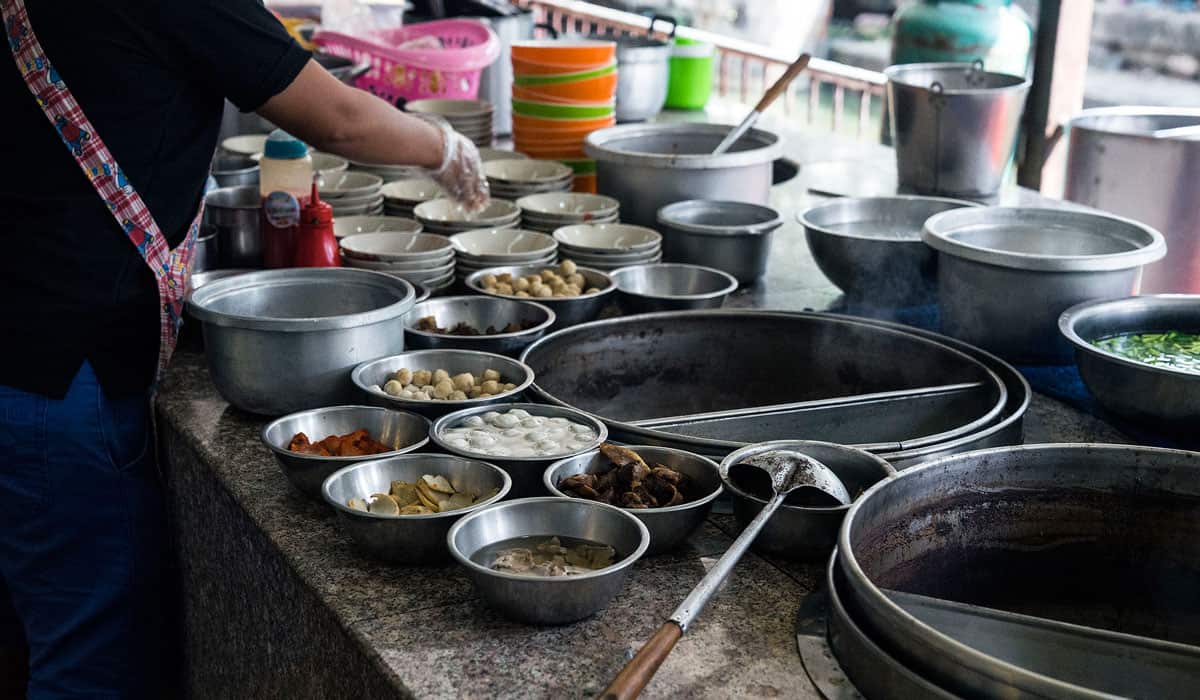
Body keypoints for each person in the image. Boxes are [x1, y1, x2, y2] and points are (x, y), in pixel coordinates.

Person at [0, 1, 487, 697]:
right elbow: (337, 117)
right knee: (90, 656)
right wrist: (443, 145)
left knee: (33, 629)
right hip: (52, 377)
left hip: (27, 345)